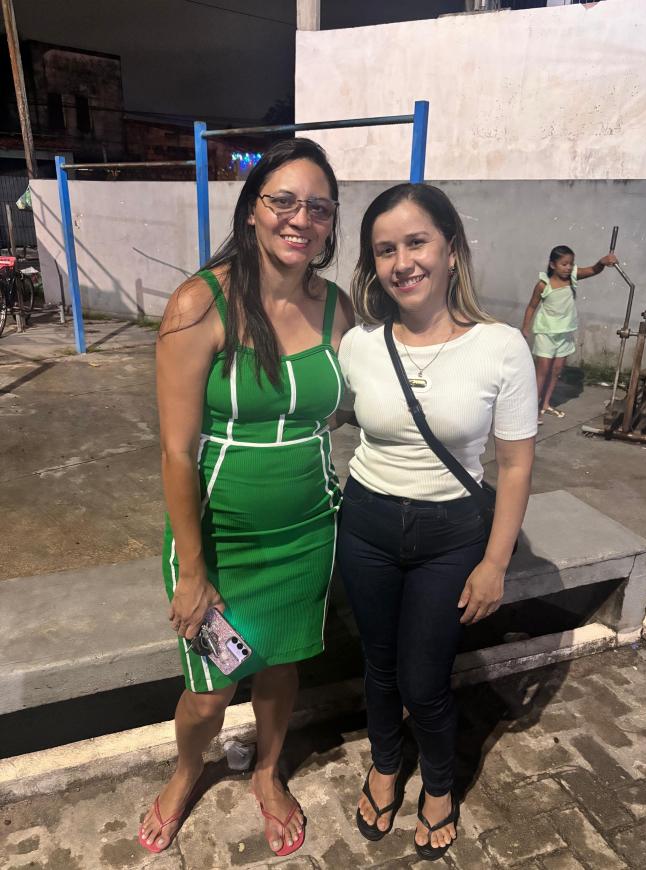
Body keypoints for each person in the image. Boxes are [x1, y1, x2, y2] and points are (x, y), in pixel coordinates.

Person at [138, 138, 353, 856]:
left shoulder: (336, 307)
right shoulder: (200, 301)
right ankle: (185, 772)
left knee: (282, 665)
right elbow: (176, 450)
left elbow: (356, 402)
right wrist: (192, 569)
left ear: (331, 222)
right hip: (220, 538)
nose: (301, 219)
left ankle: (266, 770)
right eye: (283, 201)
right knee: (208, 692)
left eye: (318, 207)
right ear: (253, 209)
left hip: (308, 529)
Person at [335, 183, 538, 861]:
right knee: (379, 665)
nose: (402, 263)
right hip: (365, 523)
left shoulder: (501, 346)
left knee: (425, 681)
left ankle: (442, 783)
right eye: (384, 250)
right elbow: (321, 414)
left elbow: (515, 465)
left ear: (451, 249)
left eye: (416, 242)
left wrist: (495, 562)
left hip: (450, 538)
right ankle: (385, 766)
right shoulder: (359, 344)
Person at [521, 244, 618, 422]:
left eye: (571, 264)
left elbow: (594, 270)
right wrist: (525, 327)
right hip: (546, 333)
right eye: (564, 264)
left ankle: (545, 404)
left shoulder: (573, 277)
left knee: (556, 370)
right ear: (553, 265)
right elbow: (532, 306)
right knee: (542, 371)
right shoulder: (543, 284)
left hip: (565, 333)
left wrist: (603, 262)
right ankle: (531, 409)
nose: (568, 267)